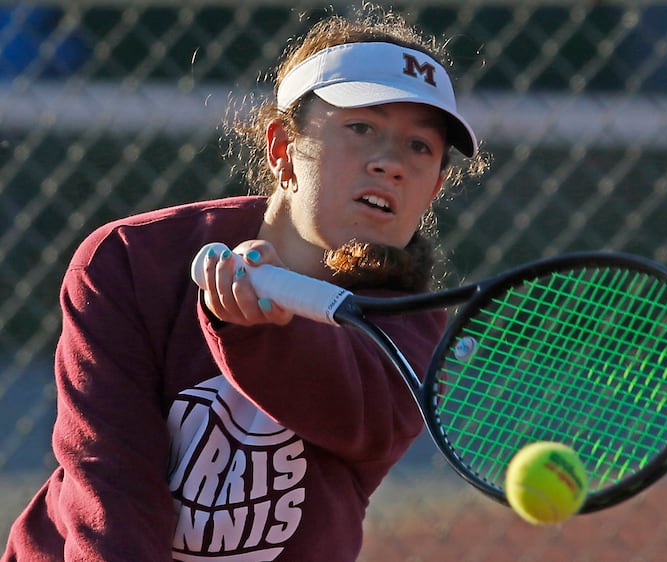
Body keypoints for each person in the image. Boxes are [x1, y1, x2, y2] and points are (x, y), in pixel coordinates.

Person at [2, 6, 486, 562]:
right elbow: (110, 482)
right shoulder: (132, 261)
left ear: (433, 191)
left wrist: (262, 335)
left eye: (419, 147)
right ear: (282, 149)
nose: (391, 163)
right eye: (362, 127)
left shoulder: (410, 323)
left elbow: (358, 421)